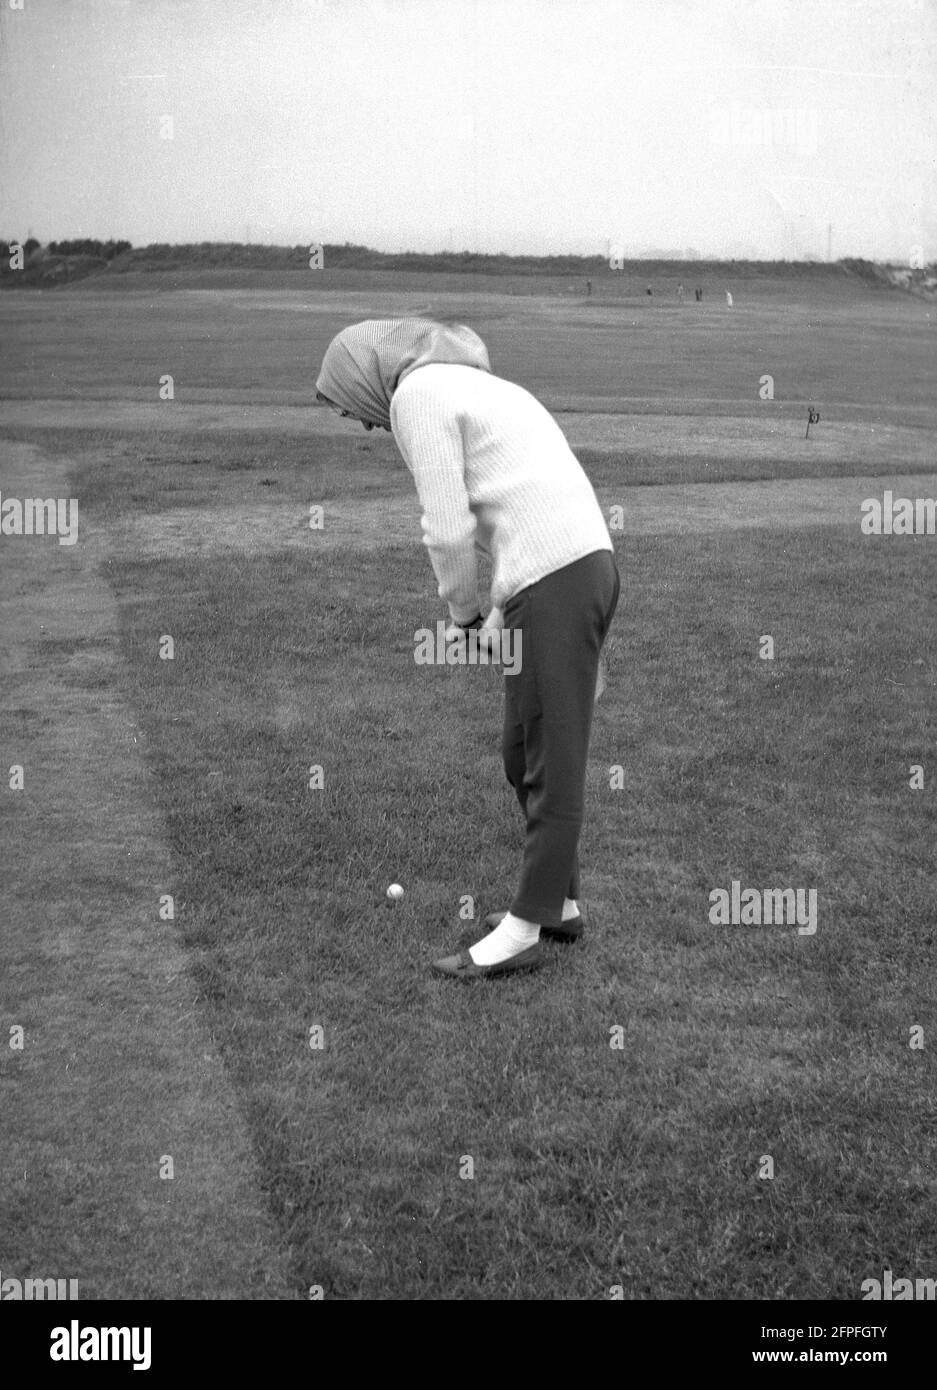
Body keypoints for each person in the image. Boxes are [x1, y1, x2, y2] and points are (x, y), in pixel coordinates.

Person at [315, 319, 620, 980]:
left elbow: (448, 527)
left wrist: (461, 614)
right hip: (564, 570)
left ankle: (521, 932)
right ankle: (559, 903)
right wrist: (503, 608)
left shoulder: (415, 396)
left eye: (348, 407)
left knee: (549, 763)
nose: (362, 424)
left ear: (362, 376)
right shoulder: (483, 388)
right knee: (521, 753)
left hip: (558, 580)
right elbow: (525, 505)